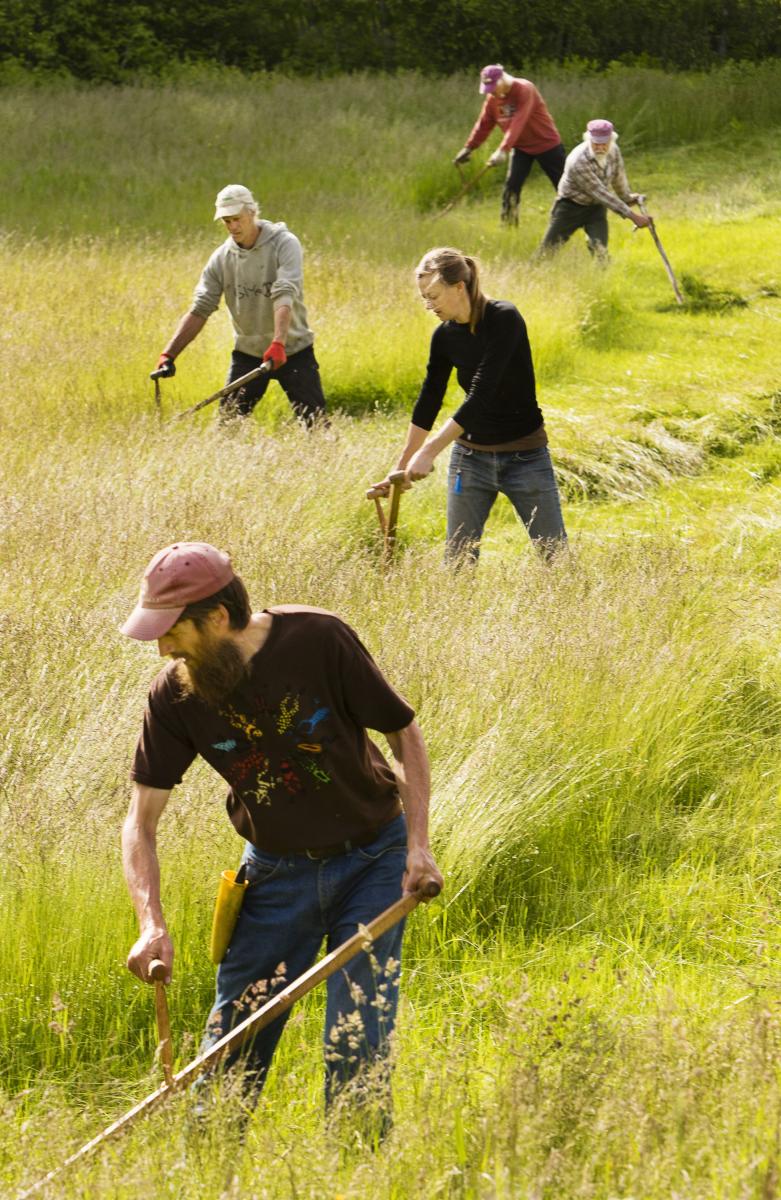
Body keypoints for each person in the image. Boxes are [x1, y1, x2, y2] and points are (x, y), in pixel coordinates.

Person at [120, 541, 442, 1114]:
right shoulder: (174, 694)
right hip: (273, 876)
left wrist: (419, 847)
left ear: (217, 617)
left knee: (358, 1039)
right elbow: (140, 822)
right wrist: (150, 924)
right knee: (230, 1044)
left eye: (173, 632)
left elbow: (404, 734)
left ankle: (358, 1168)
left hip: (374, 859)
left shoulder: (318, 639)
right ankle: (205, 1170)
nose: (163, 647)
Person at [370, 248, 567, 563]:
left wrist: (430, 451)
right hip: (471, 461)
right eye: (424, 297)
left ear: (459, 286)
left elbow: (482, 393)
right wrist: (402, 465)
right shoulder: (444, 336)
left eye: (433, 295)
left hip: (525, 457)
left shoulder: (504, 318)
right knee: (458, 563)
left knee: (555, 559)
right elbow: (429, 399)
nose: (428, 304)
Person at [152, 184, 327, 425]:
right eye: (226, 221)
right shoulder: (222, 259)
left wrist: (278, 342)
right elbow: (201, 307)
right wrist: (169, 354)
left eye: (237, 219)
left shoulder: (284, 244)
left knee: (316, 426)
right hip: (249, 353)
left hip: (293, 350)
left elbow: (284, 293)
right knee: (227, 426)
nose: (232, 227)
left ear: (252, 213)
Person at [453, 64, 566, 226]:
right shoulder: (493, 99)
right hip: (521, 148)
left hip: (546, 144)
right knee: (511, 188)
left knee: (565, 185)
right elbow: (484, 124)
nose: (490, 92)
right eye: (488, 88)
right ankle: (508, 228)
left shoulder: (525, 89)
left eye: (493, 87)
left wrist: (502, 150)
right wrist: (469, 147)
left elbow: (518, 122)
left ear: (503, 80)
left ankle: (581, 218)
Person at [538, 119, 652, 258]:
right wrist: (633, 217)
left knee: (600, 251)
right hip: (570, 208)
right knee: (547, 251)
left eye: (604, 143)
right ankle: (531, 273)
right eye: (596, 143)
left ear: (611, 140)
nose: (600, 148)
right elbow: (601, 193)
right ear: (588, 139)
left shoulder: (614, 150)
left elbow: (618, 176)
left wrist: (627, 198)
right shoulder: (578, 161)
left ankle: (603, 277)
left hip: (596, 209)